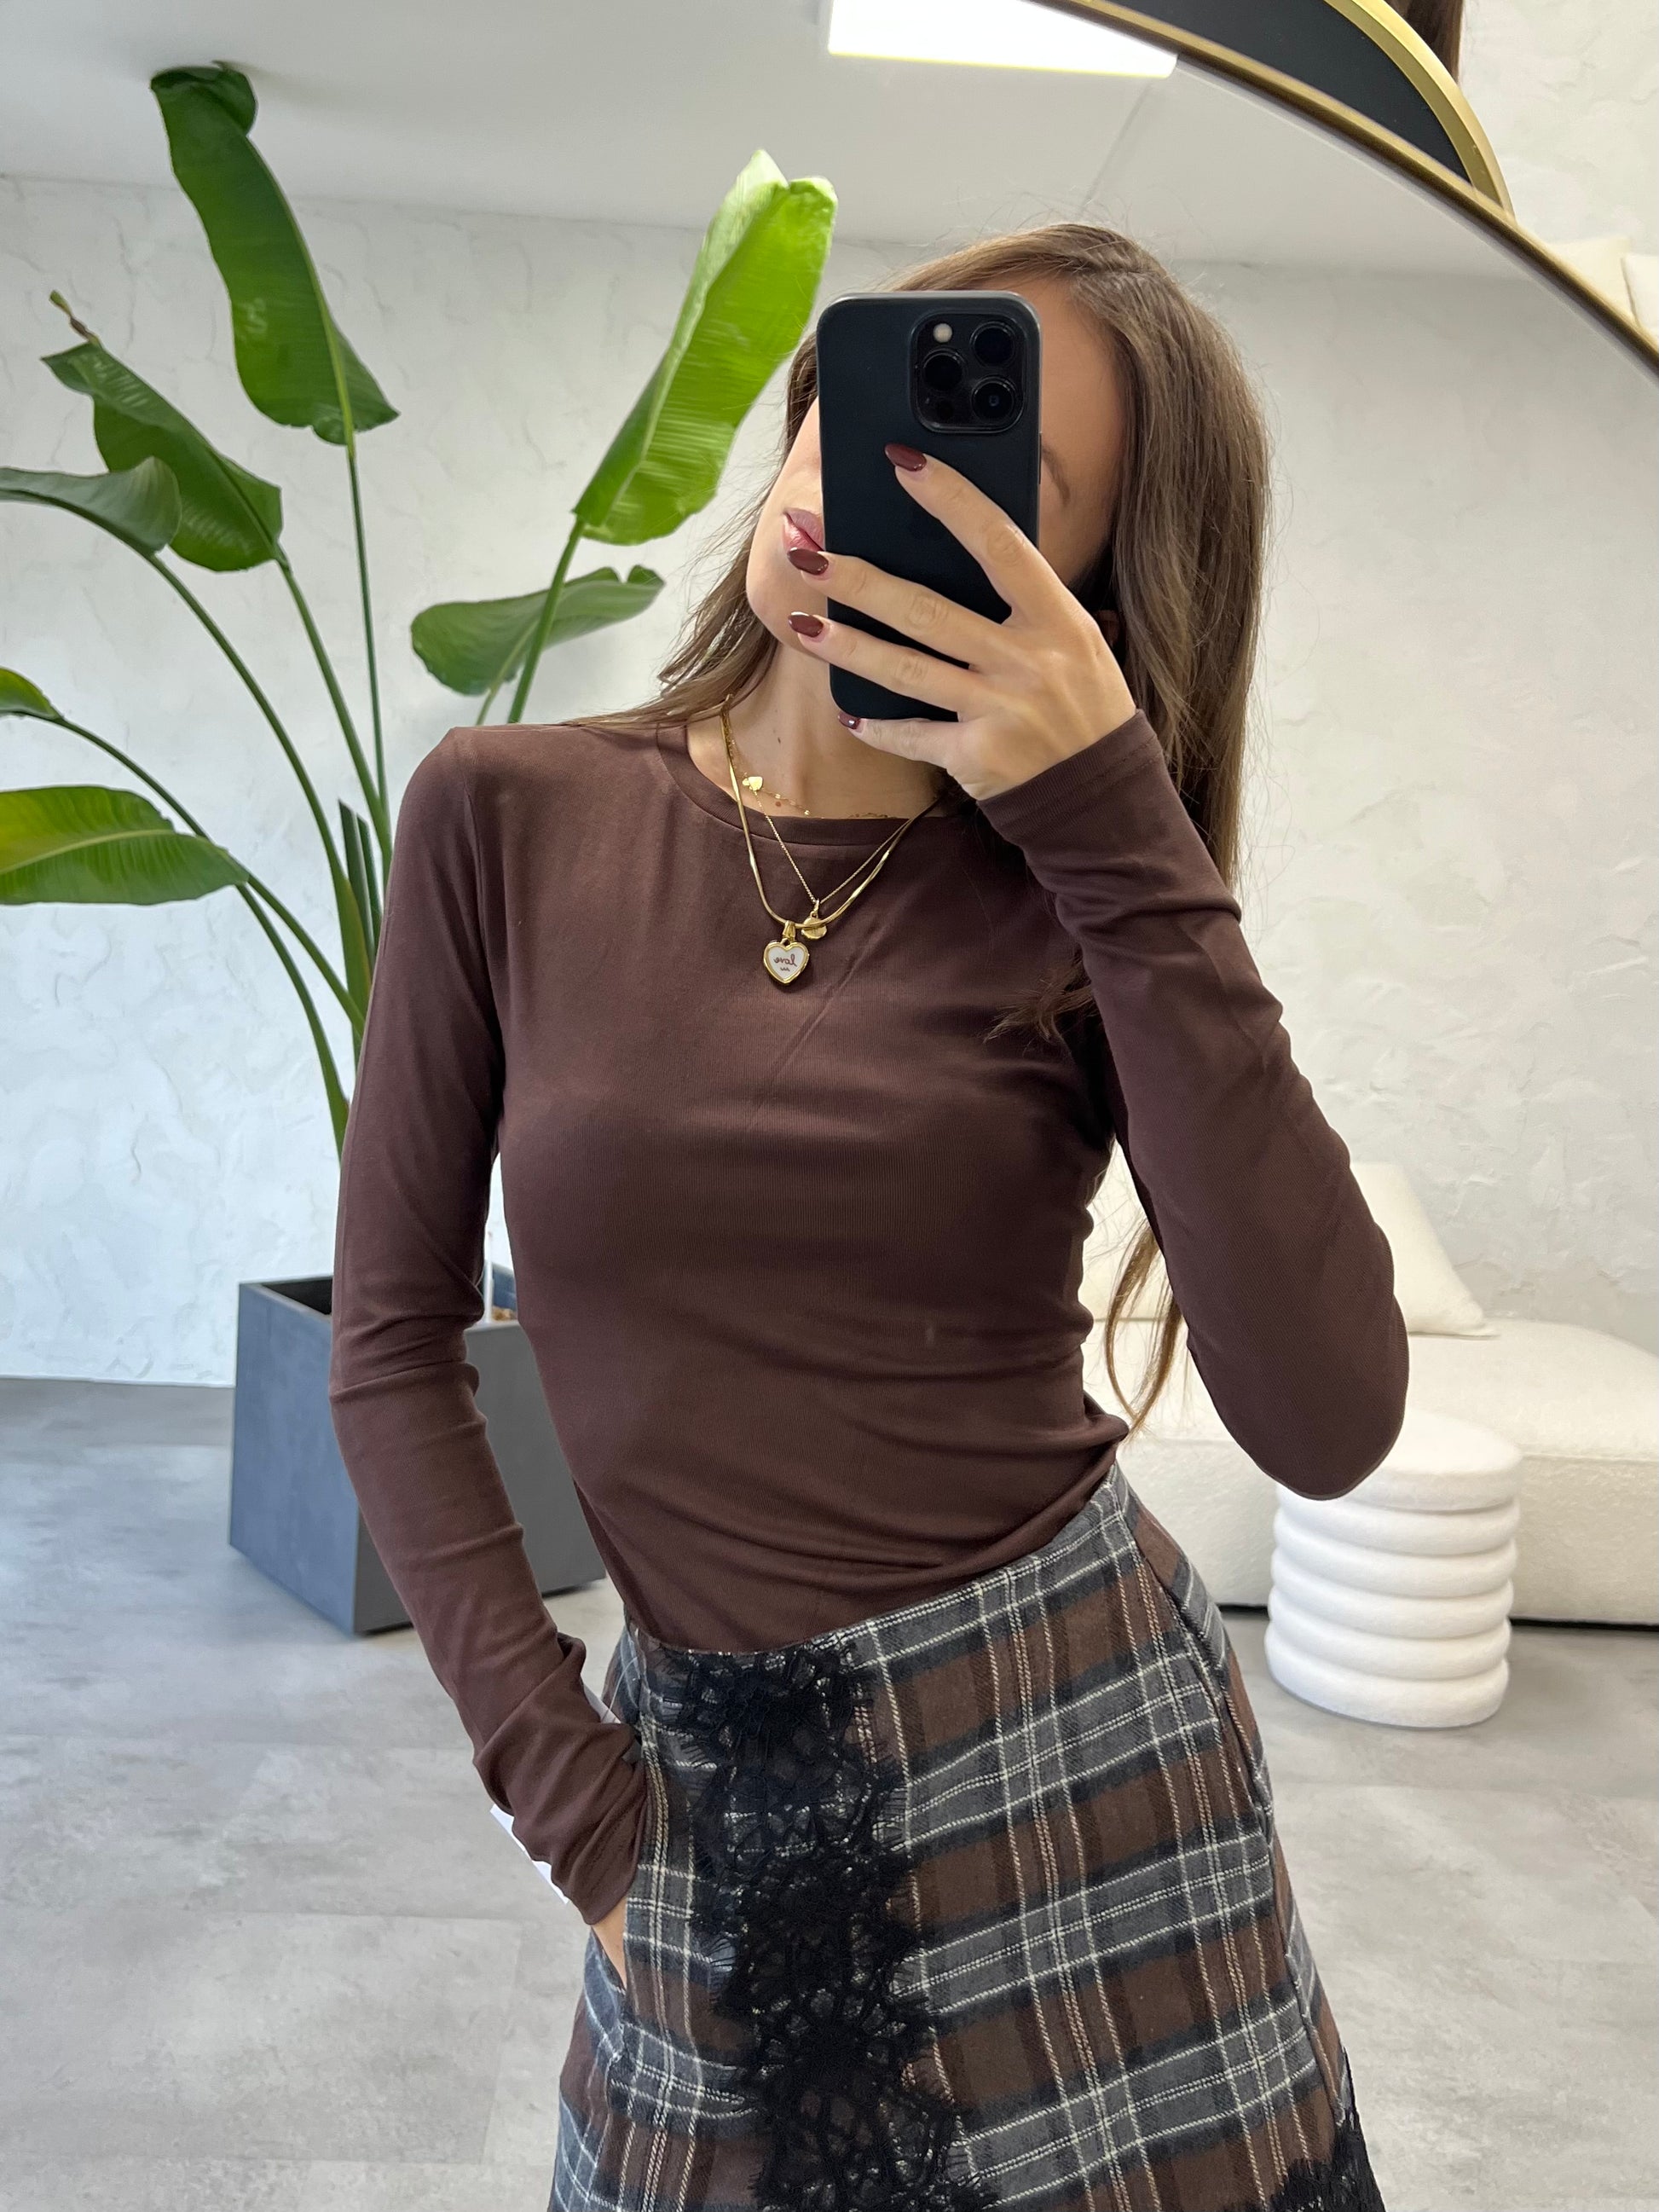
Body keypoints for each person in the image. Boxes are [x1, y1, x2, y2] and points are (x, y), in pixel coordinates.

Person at [328, 223, 1406, 2212]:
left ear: (1084, 587)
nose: (871, 473)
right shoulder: (505, 809)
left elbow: (1328, 1415)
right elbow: (389, 1346)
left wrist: (1112, 816)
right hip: (709, 1786)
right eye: (869, 390)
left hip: (1083, 1754)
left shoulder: (1083, 891)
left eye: (986, 467)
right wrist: (575, 1810)